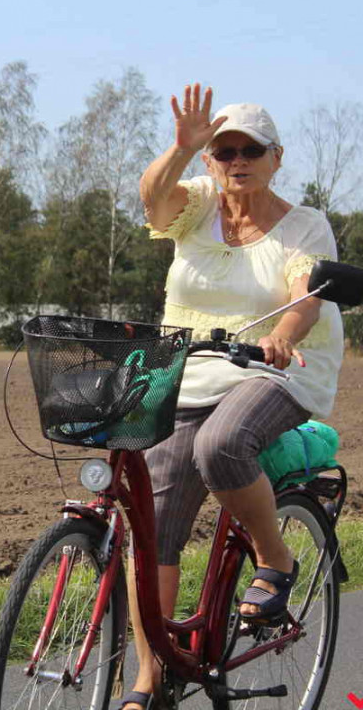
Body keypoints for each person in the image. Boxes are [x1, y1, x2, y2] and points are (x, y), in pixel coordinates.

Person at [119, 84, 344, 710]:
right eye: (223, 151)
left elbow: (307, 295)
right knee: (152, 519)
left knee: (223, 445)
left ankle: (276, 561)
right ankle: (150, 678)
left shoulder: (304, 225)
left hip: (277, 370)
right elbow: (152, 202)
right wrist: (180, 148)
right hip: (189, 370)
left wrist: (280, 335)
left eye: (251, 150)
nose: (236, 160)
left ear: (277, 158)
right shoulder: (196, 204)